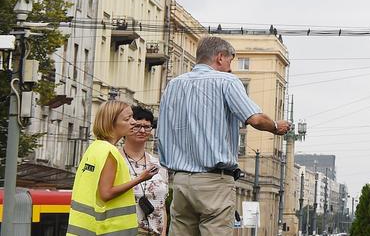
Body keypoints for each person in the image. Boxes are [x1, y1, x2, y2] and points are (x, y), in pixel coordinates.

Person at [158, 36, 290, 236]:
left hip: (180, 181)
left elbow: (162, 132)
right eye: (230, 61)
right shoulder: (226, 81)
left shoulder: (174, 85)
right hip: (214, 183)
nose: (230, 67)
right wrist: (275, 126)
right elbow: (254, 119)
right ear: (220, 57)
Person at [68, 100, 160, 236]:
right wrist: (141, 178)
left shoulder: (94, 148)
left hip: (86, 228)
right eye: (128, 119)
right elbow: (106, 193)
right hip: (107, 230)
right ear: (112, 122)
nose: (133, 122)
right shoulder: (110, 152)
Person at [124, 105, 170, 236]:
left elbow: (162, 206)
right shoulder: (116, 160)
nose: (142, 130)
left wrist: (163, 232)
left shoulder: (158, 165)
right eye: (137, 125)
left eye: (147, 126)